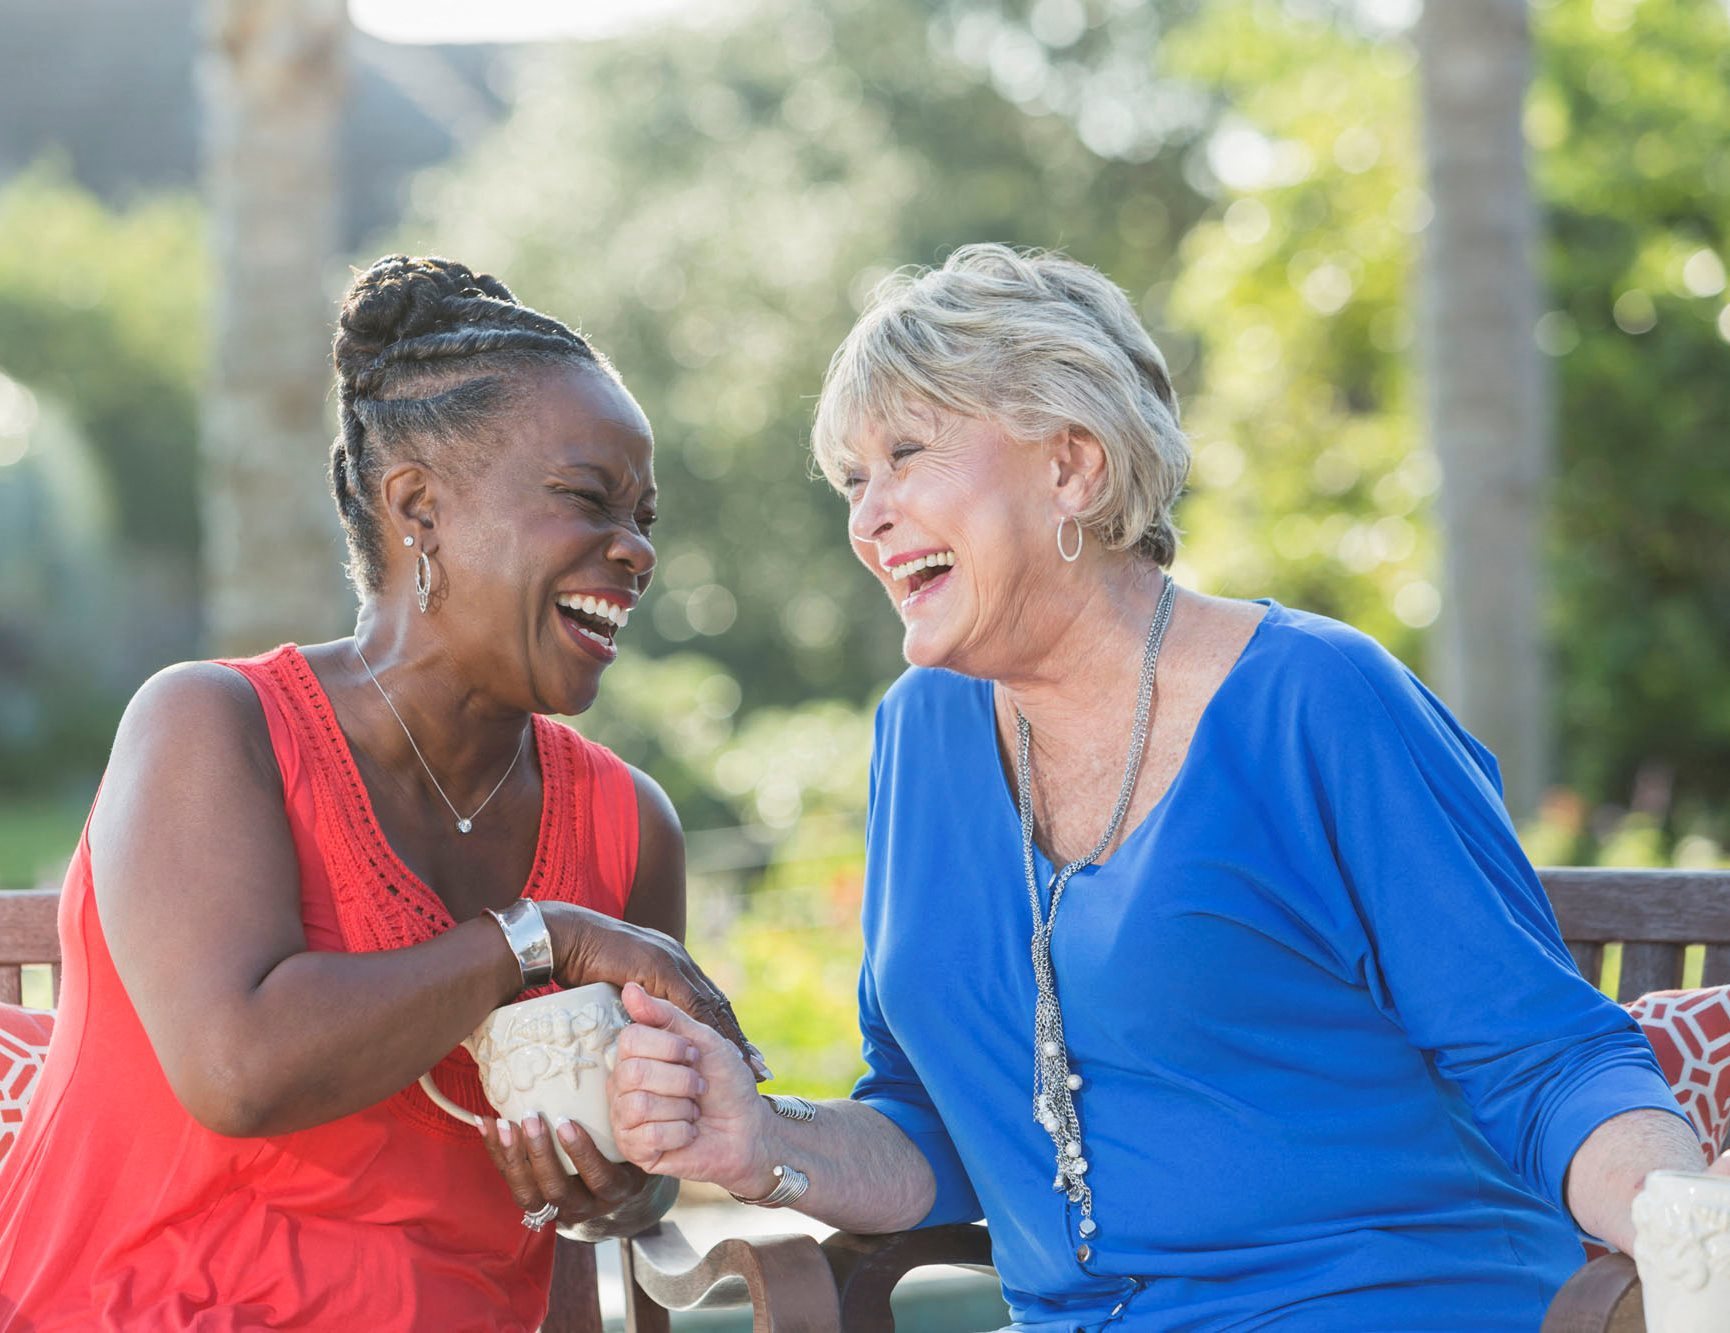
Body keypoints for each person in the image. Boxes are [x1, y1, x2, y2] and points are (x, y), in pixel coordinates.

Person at [588, 244, 1719, 1331]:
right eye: (851, 477)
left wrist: (1678, 1230)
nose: (866, 515)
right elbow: (927, 1124)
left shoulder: (1315, 702)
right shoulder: (918, 736)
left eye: (907, 454)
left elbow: (1544, 1055)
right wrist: (753, 1138)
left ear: (1070, 466)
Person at [0, 255, 754, 1332]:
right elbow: (239, 1067)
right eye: (589, 500)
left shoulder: (631, 826)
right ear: (418, 508)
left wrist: (621, 1183)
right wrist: (535, 940)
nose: (633, 549)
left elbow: (650, 1162)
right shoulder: (212, 728)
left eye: (644, 516)